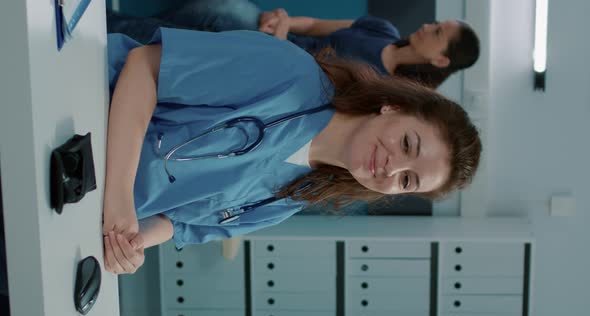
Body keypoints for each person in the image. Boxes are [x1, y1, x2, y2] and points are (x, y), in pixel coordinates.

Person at [102, 27, 482, 275]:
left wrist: (133, 244)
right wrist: (119, 200)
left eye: (407, 180)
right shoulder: (289, 74)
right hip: (83, 112)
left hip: (91, 201)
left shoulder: (296, 196)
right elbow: (146, 67)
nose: (392, 166)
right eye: (407, 144)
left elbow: (185, 223)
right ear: (393, 106)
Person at [107, 2, 480, 87]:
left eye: (437, 33)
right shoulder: (381, 27)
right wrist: (283, 19)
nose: (428, 26)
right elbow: (316, 25)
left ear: (442, 59)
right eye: (435, 23)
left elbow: (306, 84)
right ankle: (104, 23)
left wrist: (280, 40)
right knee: (222, 11)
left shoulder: (381, 86)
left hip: (271, 66)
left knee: (175, 40)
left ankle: (104, 40)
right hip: (272, 37)